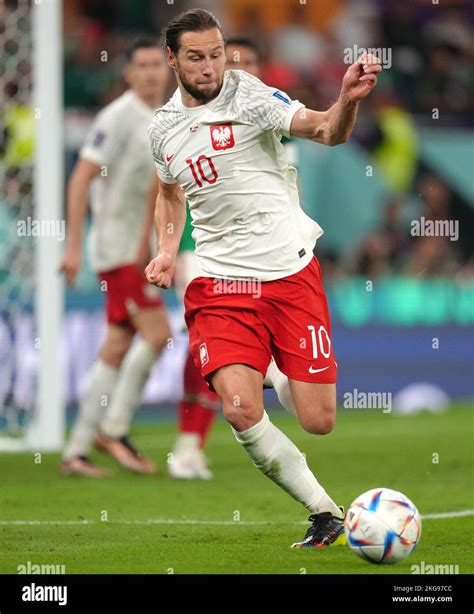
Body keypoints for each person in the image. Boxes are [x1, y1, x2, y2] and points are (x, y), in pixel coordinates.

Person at [146, 9, 382, 548]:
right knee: (239, 408)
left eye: (216, 54)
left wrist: (347, 99)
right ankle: (324, 511)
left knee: (318, 420)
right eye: (196, 58)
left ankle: (275, 367)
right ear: (172, 60)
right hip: (221, 282)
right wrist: (164, 250)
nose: (210, 68)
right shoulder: (162, 129)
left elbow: (327, 130)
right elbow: (168, 193)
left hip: (289, 271)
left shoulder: (249, 96)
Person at [169, 36, 295, 480]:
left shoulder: (269, 117)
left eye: (249, 63)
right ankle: (188, 443)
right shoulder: (187, 122)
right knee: (206, 343)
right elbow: (166, 188)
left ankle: (270, 375)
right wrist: (165, 249)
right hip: (200, 251)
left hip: (266, 255)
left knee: (247, 335)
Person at [60, 38, 171, 477]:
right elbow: (80, 178)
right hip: (117, 250)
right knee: (159, 333)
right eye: (139, 66)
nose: (148, 73)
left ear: (166, 70)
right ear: (127, 73)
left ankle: (76, 450)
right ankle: (115, 428)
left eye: (154, 65)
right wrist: (72, 245)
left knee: (117, 345)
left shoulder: (159, 119)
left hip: (135, 248)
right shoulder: (119, 116)